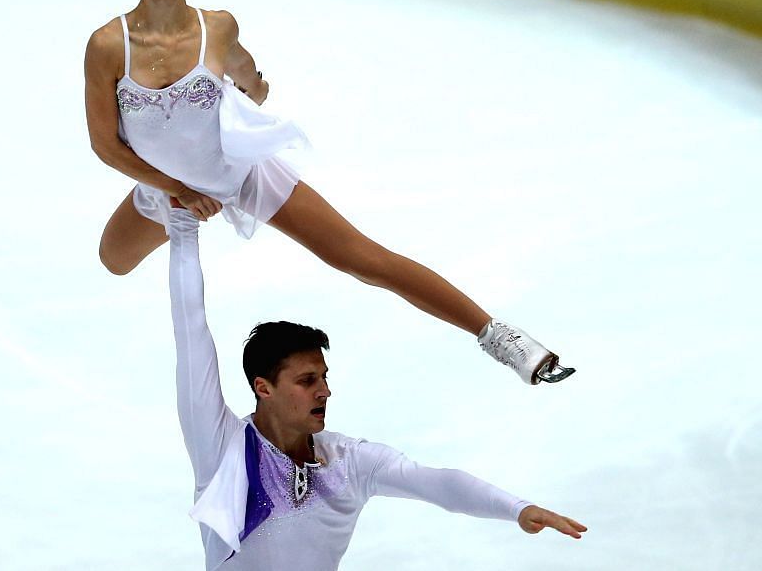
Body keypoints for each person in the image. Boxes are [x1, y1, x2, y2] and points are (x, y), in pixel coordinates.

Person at [85, 0, 573, 384]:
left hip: (239, 174)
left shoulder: (218, 27)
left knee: (363, 260)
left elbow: (250, 78)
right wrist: (176, 188)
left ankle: (501, 337)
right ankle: (177, 198)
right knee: (113, 260)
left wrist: (250, 92)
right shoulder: (109, 45)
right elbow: (105, 145)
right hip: (167, 186)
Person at [165, 207, 586, 570]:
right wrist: (183, 227)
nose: (325, 391)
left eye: (324, 377)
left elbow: (436, 483)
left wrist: (516, 509)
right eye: (307, 381)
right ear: (264, 387)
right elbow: (191, 330)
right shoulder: (221, 448)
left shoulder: (348, 463)